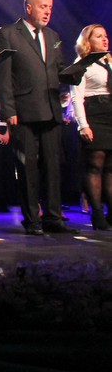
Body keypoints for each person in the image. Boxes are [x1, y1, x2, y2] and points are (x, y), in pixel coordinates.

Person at [0, 0, 78, 235]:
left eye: (50, 7)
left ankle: (53, 217)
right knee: (28, 167)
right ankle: (32, 219)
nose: (47, 11)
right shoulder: (7, 33)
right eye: (43, 6)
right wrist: (8, 109)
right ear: (28, 8)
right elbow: (3, 75)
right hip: (24, 111)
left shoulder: (53, 36)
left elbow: (59, 68)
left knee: (53, 166)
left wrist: (76, 71)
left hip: (50, 110)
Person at [70, 24, 112, 230]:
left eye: (105, 36)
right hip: (94, 113)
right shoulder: (82, 63)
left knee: (110, 167)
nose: (104, 39)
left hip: (110, 112)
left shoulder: (109, 61)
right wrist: (83, 125)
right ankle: (96, 213)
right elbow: (76, 97)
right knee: (95, 165)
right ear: (88, 41)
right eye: (98, 36)